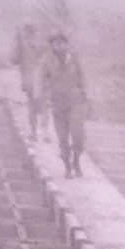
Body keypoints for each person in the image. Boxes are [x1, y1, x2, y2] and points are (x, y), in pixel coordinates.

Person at [40, 32, 87, 177]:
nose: (59, 45)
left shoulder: (73, 58)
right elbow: (42, 81)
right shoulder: (46, 61)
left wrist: (84, 95)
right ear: (52, 45)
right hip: (58, 104)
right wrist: (45, 97)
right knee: (62, 138)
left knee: (78, 135)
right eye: (56, 43)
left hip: (75, 103)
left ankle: (76, 161)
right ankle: (67, 167)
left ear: (66, 43)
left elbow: (82, 77)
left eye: (62, 42)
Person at [13, 24, 46, 139]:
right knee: (34, 107)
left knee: (41, 106)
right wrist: (17, 44)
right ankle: (34, 131)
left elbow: (47, 62)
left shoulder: (40, 47)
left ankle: (42, 132)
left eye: (28, 33)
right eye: (25, 33)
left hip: (39, 81)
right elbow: (14, 60)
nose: (27, 36)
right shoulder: (22, 48)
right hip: (31, 82)